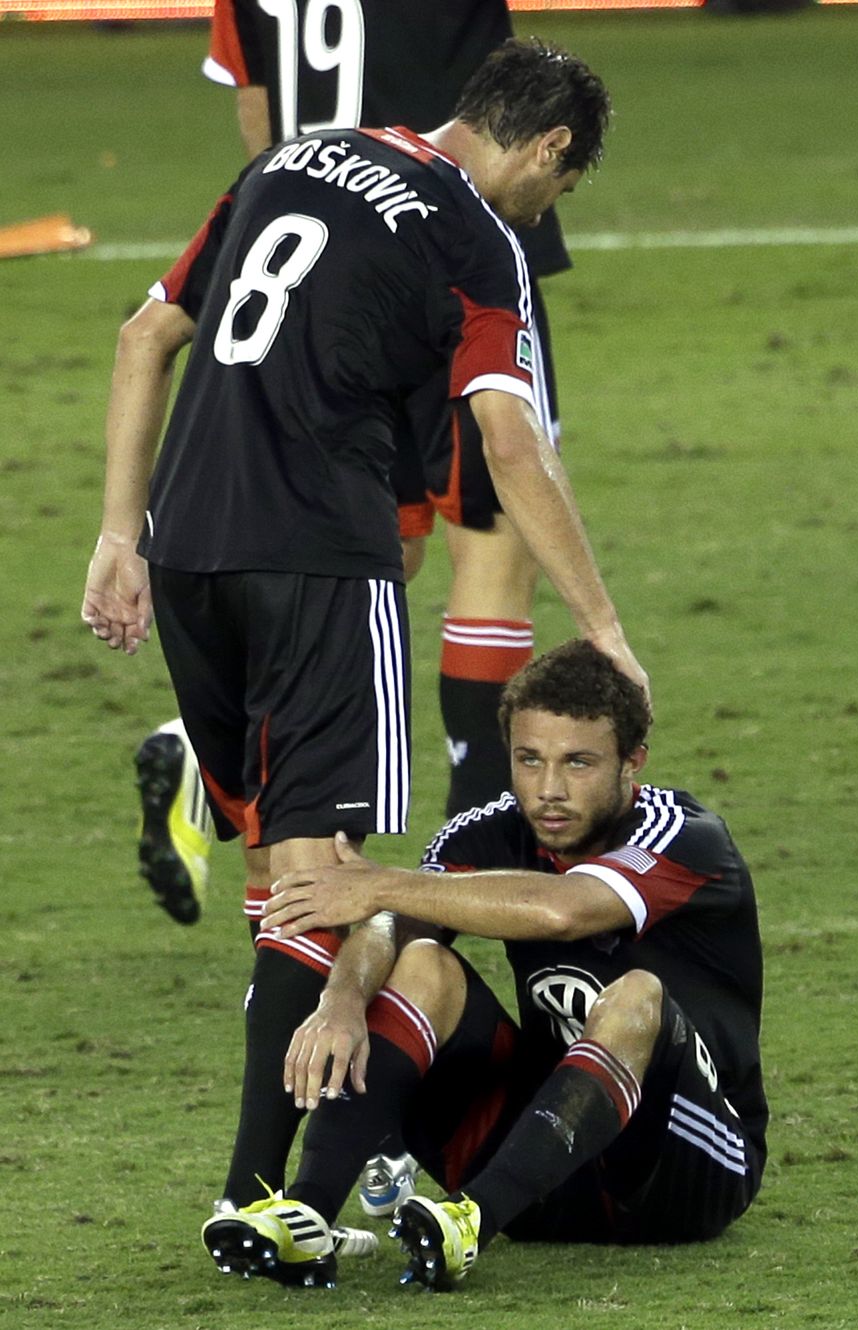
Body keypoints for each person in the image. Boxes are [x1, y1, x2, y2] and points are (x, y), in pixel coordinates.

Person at [82, 37, 648, 1256]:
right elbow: (510, 447)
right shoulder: (477, 240)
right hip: (321, 558)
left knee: (276, 866)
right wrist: (601, 625)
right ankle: (249, 1193)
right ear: (548, 149)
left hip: (183, 543)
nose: (546, 206)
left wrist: (117, 535)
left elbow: (143, 339)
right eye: (560, 183)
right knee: (319, 865)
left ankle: (266, 1183)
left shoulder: (299, 156)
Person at [135, 2, 579, 928]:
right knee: (494, 552)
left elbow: (254, 112)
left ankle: (210, 745)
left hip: (299, 240)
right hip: (441, 246)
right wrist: (604, 627)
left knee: (386, 552)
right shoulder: (484, 224)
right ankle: (479, 838)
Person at [208, 640, 767, 1291]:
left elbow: (566, 911)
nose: (549, 790)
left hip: (689, 1171)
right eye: (529, 760)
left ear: (631, 763)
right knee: (419, 960)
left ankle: (473, 1222)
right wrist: (342, 999)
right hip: (547, 1164)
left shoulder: (685, 837)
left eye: (578, 763)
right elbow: (392, 924)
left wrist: (384, 886)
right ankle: (308, 1215)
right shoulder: (489, 830)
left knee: (637, 993)